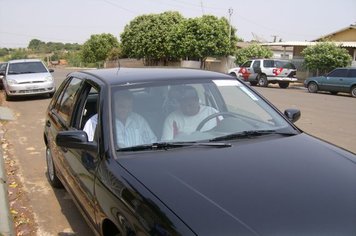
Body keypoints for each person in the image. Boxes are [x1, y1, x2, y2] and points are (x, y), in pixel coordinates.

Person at [83, 90, 157, 147]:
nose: (126, 110)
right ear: (112, 104)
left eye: (129, 107)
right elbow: (89, 150)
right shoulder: (94, 122)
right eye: (122, 106)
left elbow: (152, 142)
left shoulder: (139, 120)